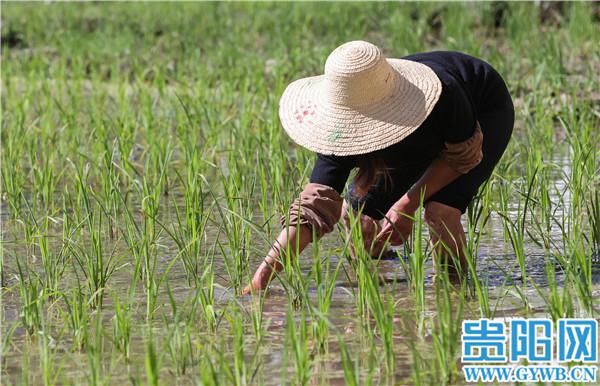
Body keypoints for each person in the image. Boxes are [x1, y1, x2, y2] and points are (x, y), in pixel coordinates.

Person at [242, 40, 514, 295]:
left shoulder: (443, 95)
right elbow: (311, 211)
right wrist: (261, 279)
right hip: (416, 136)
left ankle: (454, 290)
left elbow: (462, 157)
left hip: (479, 113)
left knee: (439, 211)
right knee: (355, 213)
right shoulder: (338, 131)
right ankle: (380, 280)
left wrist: (407, 205)